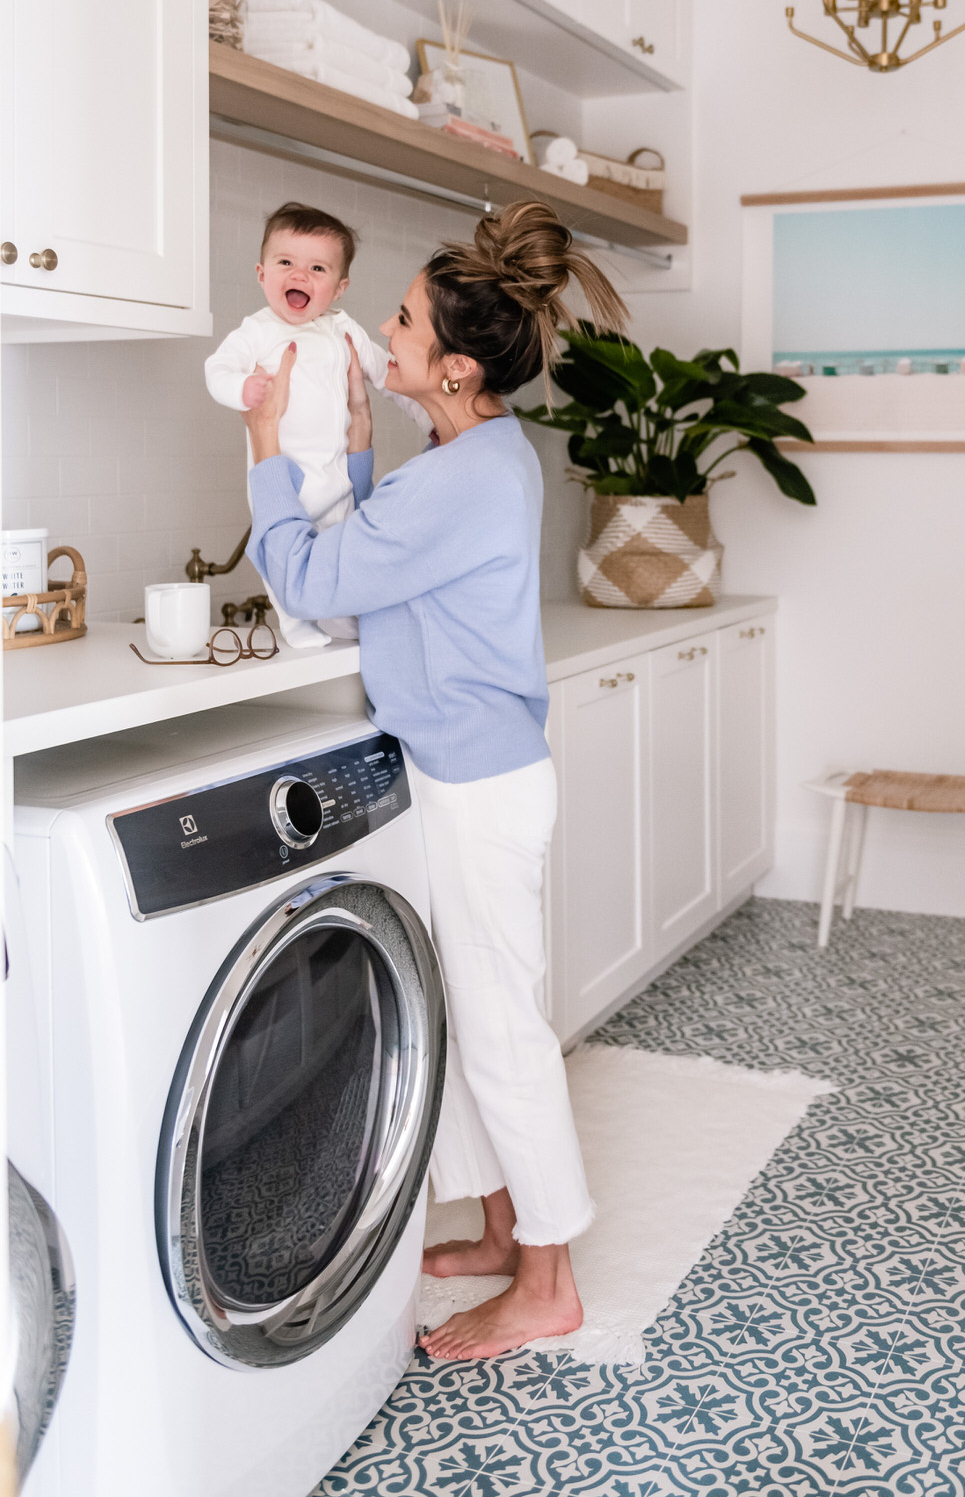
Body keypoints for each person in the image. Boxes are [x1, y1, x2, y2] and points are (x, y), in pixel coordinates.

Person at [242, 199, 628, 1361]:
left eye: (402, 319)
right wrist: (356, 443)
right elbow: (376, 547)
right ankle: (508, 1230)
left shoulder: (459, 480)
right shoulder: (474, 453)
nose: (385, 330)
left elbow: (317, 580)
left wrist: (267, 448)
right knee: (472, 1013)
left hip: (476, 786)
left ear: (453, 369)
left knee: (504, 1034)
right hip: (474, 771)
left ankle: (547, 1281)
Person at [204, 200, 421, 649]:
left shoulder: (344, 330)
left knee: (340, 555)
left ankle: (342, 621)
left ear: (339, 288)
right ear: (262, 274)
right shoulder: (257, 331)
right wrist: (244, 389)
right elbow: (217, 369)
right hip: (284, 475)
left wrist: (428, 419)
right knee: (278, 551)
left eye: (317, 268)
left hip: (337, 475)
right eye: (286, 262)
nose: (299, 276)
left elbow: (388, 376)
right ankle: (298, 626)